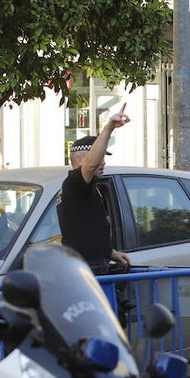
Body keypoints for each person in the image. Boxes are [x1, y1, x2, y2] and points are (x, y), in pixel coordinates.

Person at [57, 105, 132, 275]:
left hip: (95, 268)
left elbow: (83, 233)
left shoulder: (85, 188)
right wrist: (108, 128)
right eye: (100, 157)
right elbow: (91, 165)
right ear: (79, 159)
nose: (103, 162)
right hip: (86, 272)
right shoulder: (74, 183)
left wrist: (110, 252)